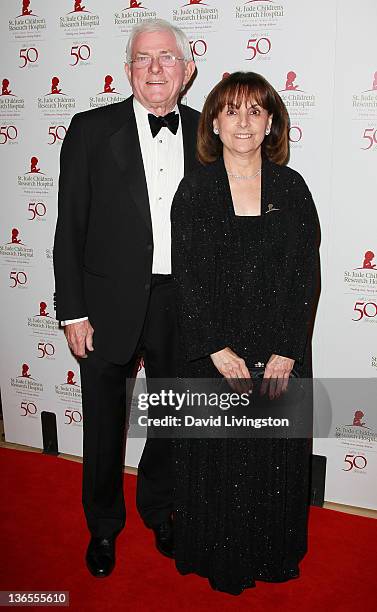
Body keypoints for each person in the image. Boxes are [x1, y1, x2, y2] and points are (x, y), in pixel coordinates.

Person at [53, 19, 197, 578]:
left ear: (187, 70)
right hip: (106, 303)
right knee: (104, 423)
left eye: (166, 57)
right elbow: (70, 228)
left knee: (172, 418)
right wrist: (73, 310)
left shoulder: (208, 134)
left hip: (179, 303)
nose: (155, 68)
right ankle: (103, 527)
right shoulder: (90, 129)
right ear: (128, 69)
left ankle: (161, 509)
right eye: (143, 58)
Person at [171, 71, 320, 595]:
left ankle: (270, 552)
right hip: (216, 354)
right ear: (213, 121)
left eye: (255, 110)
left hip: (278, 350)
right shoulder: (194, 190)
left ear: (271, 122)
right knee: (217, 456)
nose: (243, 121)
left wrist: (288, 349)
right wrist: (214, 347)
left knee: (272, 456)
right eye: (231, 110)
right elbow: (185, 275)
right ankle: (217, 553)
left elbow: (306, 273)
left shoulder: (292, 187)